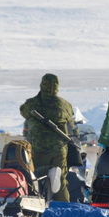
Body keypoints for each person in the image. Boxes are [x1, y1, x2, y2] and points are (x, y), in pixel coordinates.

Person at [19, 73, 75, 202]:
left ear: (42, 85)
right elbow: (70, 118)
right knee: (60, 180)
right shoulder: (65, 104)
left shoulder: (33, 103)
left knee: (37, 179)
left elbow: (23, 111)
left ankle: (38, 206)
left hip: (39, 149)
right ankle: (63, 208)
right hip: (59, 149)